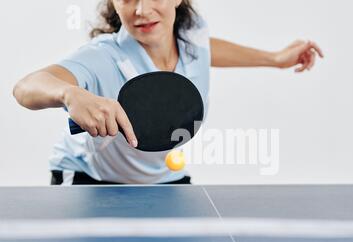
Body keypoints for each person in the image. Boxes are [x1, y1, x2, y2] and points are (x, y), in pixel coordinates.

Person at [13, 0, 324, 186]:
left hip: (162, 179)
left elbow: (206, 50)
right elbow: (27, 86)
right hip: (90, 182)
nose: (142, 10)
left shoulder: (193, 37)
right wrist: (70, 94)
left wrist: (274, 59)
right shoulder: (103, 56)